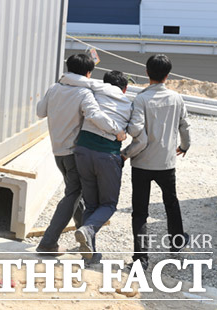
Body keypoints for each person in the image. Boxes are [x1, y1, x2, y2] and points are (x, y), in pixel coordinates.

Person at [36, 54, 126, 255]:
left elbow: (40, 111)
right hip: (74, 151)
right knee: (73, 194)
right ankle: (48, 242)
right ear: (88, 73)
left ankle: (83, 234)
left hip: (57, 150)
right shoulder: (84, 93)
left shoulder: (54, 88)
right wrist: (117, 130)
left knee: (76, 192)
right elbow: (95, 115)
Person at [59, 70, 146, 261]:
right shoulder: (127, 103)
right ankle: (88, 230)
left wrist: (63, 77)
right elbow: (137, 132)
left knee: (90, 204)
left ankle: (89, 254)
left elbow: (75, 79)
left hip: (82, 151)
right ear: (124, 89)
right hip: (107, 155)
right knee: (108, 204)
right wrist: (125, 151)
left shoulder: (95, 91)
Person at [124, 54, 191, 270]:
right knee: (171, 203)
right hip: (166, 162)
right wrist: (184, 146)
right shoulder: (176, 98)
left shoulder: (141, 99)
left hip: (142, 162)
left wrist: (127, 152)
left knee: (140, 210)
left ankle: (141, 258)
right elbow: (185, 126)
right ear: (168, 75)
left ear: (146, 72)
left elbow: (136, 129)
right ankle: (176, 243)